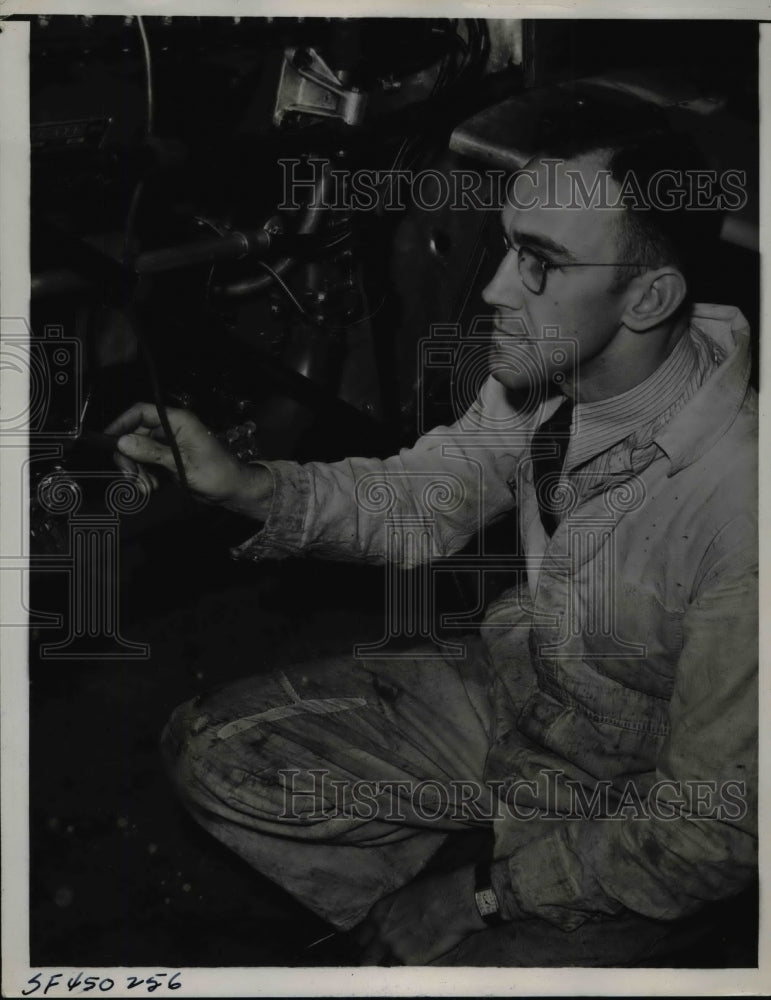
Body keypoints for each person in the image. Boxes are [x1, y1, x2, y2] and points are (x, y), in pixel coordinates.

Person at [107, 100, 757, 966]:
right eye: (506, 245)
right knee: (214, 754)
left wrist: (480, 895)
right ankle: (445, 911)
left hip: (647, 803)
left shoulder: (741, 508)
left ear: (648, 296)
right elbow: (423, 496)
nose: (492, 289)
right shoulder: (553, 379)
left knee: (478, 948)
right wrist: (247, 484)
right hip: (525, 695)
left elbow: (713, 828)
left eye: (539, 263)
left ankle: (604, 923)